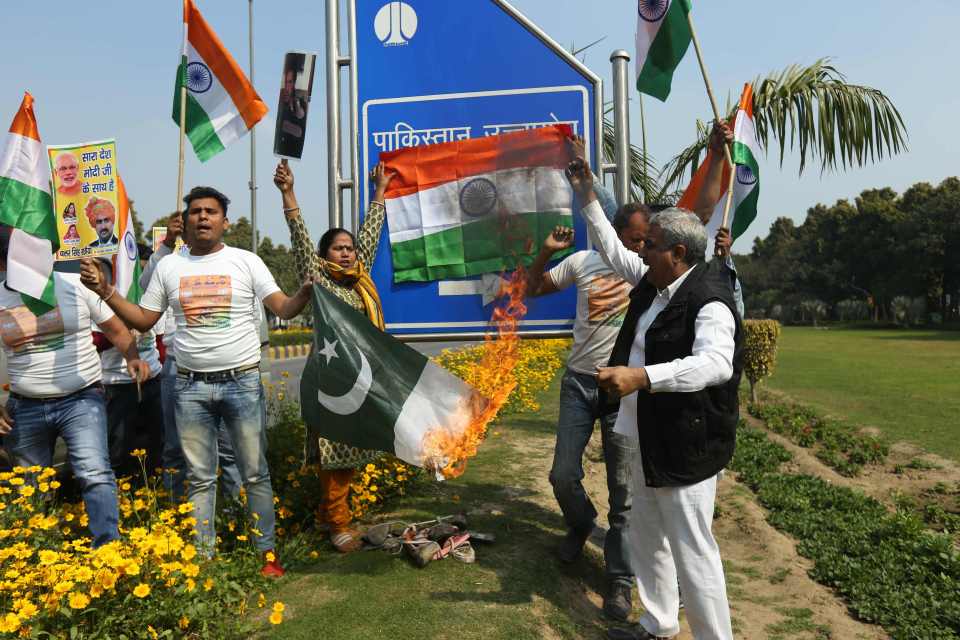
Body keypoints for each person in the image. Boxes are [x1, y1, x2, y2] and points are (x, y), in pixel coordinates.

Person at [79, 186, 313, 576]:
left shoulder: (247, 262)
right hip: (189, 387)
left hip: (241, 383)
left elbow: (283, 307)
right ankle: (203, 560)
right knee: (200, 479)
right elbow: (142, 320)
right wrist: (105, 291)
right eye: (196, 211)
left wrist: (303, 294)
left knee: (255, 472)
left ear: (226, 222)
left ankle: (266, 554)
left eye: (211, 211)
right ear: (185, 221)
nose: (203, 217)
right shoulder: (170, 266)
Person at [567, 158, 743, 640]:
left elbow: (715, 365)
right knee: (647, 535)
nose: (640, 251)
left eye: (651, 245)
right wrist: (586, 193)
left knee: (692, 549)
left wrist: (642, 377)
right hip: (642, 433)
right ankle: (658, 624)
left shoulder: (710, 297)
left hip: (687, 442)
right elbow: (609, 244)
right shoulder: (654, 282)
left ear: (679, 252)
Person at [525, 204, 648, 622]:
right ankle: (580, 524)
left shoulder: (649, 273)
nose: (642, 247)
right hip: (579, 382)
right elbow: (533, 289)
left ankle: (619, 581)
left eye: (647, 241)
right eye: (634, 239)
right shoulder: (582, 262)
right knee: (562, 473)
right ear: (614, 234)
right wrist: (545, 252)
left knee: (624, 493)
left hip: (623, 391)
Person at [0, 224, 149, 548]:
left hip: (81, 400)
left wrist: (132, 357)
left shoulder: (74, 286)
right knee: (30, 484)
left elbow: (117, 330)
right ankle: (36, 557)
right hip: (24, 406)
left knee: (94, 472)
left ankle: (107, 548)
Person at [273, 158, 392, 553]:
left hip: (359, 379)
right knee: (334, 451)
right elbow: (300, 237)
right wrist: (289, 193)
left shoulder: (361, 281)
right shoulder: (320, 279)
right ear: (324, 255)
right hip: (329, 381)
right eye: (338, 249)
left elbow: (371, 238)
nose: (347, 253)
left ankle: (328, 515)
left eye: (350, 248)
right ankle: (338, 523)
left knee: (351, 449)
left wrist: (379, 193)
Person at [140, 213, 243, 503]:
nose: (201, 223)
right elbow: (145, 284)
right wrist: (167, 244)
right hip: (178, 365)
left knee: (228, 449)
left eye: (209, 215)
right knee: (176, 447)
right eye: (192, 218)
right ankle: (178, 515)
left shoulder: (227, 261)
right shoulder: (169, 262)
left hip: (224, 367)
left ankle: (234, 517)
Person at [89, 259, 164, 481]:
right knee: (118, 450)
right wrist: (120, 328)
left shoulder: (145, 299)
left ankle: (154, 495)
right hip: (116, 385)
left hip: (151, 382)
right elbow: (94, 342)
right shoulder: (93, 301)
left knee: (155, 446)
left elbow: (157, 339)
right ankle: (121, 495)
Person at [275, 66, 308, 159]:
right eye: (285, 82)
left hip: (295, 151)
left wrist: (295, 102)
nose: (287, 86)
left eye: (289, 82)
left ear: (293, 84)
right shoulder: (281, 105)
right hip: (284, 149)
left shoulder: (299, 102)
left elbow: (300, 128)